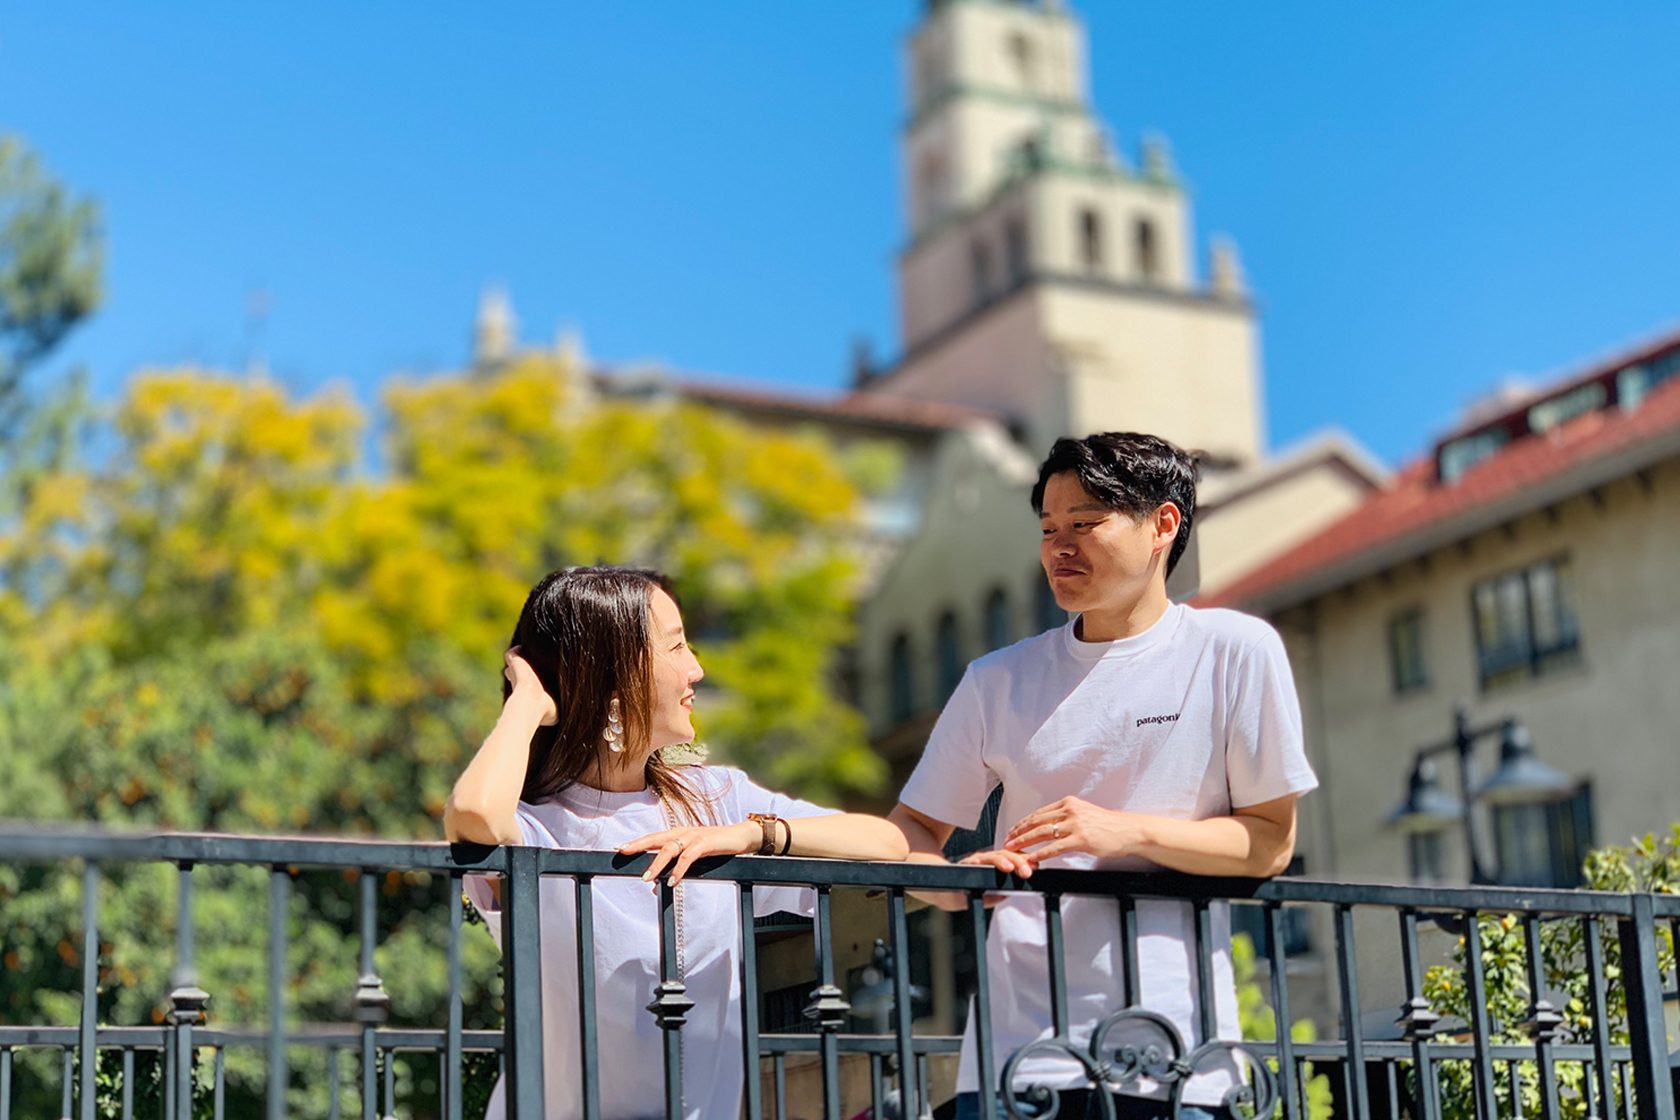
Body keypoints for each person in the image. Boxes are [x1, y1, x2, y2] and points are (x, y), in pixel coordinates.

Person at [888, 432, 1318, 1120]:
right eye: (1049, 528)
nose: (1060, 547)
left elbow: (1270, 842)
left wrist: (1120, 832)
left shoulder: (1234, 650)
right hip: (1016, 1058)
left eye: (1086, 524)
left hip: (1179, 1057)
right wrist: (959, 887)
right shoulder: (996, 679)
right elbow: (910, 831)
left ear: (1163, 526)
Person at [445, 565, 909, 1120]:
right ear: (613, 677)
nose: (697, 668)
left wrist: (755, 835)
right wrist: (527, 704)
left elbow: (888, 844)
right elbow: (473, 814)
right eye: (677, 646)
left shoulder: (716, 800)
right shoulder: (532, 825)